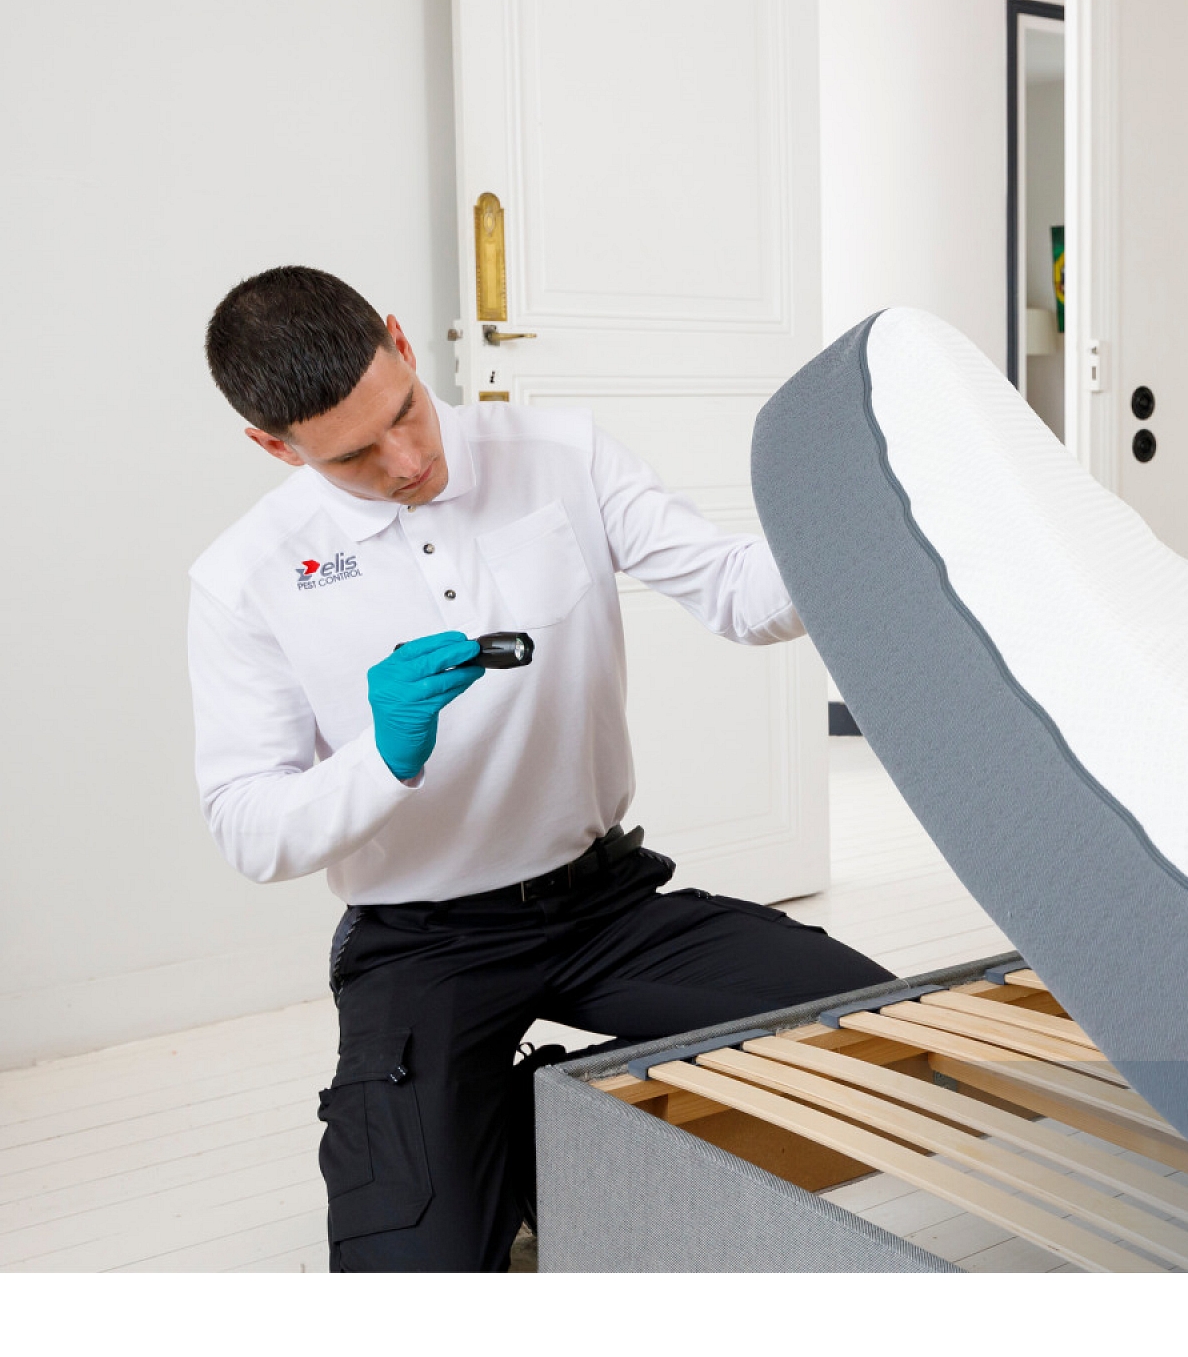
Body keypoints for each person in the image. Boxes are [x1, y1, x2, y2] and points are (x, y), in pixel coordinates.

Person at [188, 266, 892, 1272]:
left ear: (402, 343)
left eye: (404, 411)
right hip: (423, 943)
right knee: (413, 1282)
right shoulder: (244, 578)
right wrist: (379, 759)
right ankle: (483, 1130)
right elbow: (248, 828)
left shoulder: (561, 453)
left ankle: (544, 1120)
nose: (408, 459)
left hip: (601, 903)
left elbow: (740, 595)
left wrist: (868, 519)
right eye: (354, 455)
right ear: (275, 447)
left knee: (881, 1033)